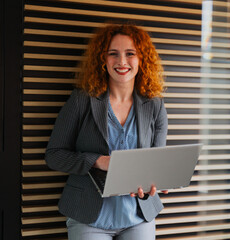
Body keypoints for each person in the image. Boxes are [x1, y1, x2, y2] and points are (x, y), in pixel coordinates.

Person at [45, 23, 168, 240]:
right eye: (113, 54)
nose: (121, 61)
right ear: (103, 59)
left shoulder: (155, 105)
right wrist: (97, 161)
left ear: (141, 60)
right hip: (89, 218)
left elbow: (155, 162)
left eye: (130, 54)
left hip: (138, 216)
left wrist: (156, 182)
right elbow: (54, 156)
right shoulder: (82, 100)